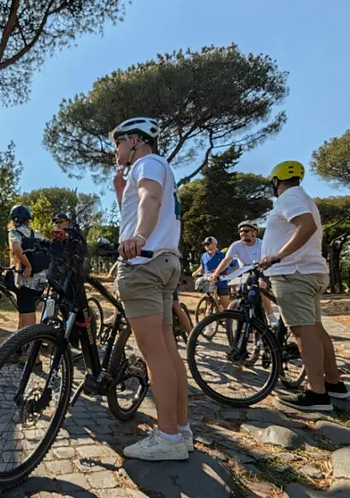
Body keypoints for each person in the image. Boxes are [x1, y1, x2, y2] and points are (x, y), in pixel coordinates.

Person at [110, 116, 190, 461]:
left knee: (153, 353)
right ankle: (181, 429)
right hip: (165, 262)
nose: (115, 150)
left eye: (117, 144)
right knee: (168, 351)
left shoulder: (148, 163)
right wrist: (119, 192)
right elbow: (139, 207)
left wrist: (139, 237)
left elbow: (150, 199)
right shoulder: (156, 167)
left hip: (144, 265)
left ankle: (168, 437)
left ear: (133, 140)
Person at [259, 161, 349, 411]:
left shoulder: (289, 197)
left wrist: (278, 255)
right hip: (308, 271)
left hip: (294, 273)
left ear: (276, 182)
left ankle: (316, 394)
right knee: (316, 329)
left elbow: (306, 226)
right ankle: (334, 384)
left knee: (302, 332)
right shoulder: (303, 196)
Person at [211, 221, 278, 325]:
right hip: (244, 273)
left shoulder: (262, 244)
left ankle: (270, 315)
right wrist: (216, 273)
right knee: (238, 291)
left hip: (261, 272)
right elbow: (227, 260)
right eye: (240, 231)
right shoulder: (236, 245)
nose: (243, 233)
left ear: (254, 233)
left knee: (261, 286)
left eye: (246, 231)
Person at [7, 205, 47, 330]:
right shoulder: (38, 234)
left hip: (27, 280)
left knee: (29, 318)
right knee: (24, 313)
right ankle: (19, 346)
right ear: (28, 220)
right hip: (41, 280)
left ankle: (31, 346)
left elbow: (17, 249)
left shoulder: (14, 233)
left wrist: (28, 266)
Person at [192, 237, 237, 310]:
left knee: (225, 305)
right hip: (208, 282)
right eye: (205, 244)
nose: (206, 246)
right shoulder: (204, 256)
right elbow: (202, 266)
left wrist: (228, 273)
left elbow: (236, 266)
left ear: (215, 244)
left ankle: (228, 318)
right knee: (209, 302)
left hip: (221, 282)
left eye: (208, 244)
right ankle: (211, 316)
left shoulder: (223, 255)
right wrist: (196, 272)